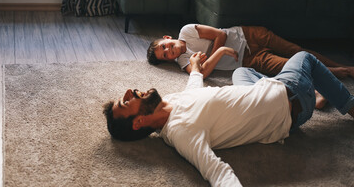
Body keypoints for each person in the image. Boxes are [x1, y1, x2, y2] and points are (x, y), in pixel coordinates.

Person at [103, 51, 354, 187]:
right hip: (291, 98)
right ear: (138, 122)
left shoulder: (169, 102)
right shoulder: (182, 133)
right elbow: (216, 171)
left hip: (267, 91)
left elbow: (194, 92)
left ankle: (321, 95)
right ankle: (346, 103)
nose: (130, 91)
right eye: (127, 101)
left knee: (242, 71)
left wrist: (196, 67)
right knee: (305, 58)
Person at [147, 24, 354, 109]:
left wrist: (209, 56)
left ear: (167, 38)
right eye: (165, 55)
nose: (169, 50)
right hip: (248, 60)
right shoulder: (184, 62)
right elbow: (204, 74)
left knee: (296, 50)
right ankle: (339, 74)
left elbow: (221, 34)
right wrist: (213, 57)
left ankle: (340, 67)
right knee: (291, 65)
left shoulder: (186, 31)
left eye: (165, 46)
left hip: (249, 35)